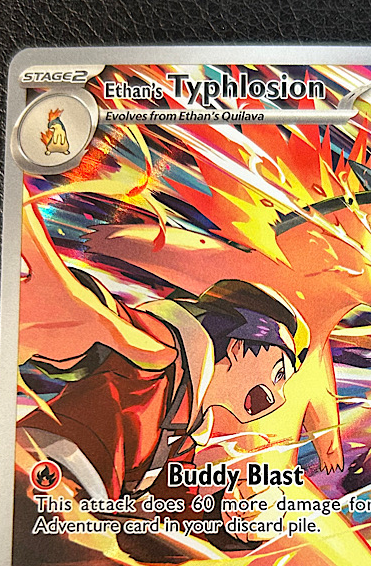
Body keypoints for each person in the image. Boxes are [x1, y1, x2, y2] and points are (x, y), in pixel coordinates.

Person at [17, 196, 308, 510]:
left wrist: (229, 516)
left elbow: (169, 504)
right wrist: (80, 306)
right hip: (42, 475)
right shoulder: (163, 350)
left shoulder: (189, 424)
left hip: (81, 507)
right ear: (238, 347)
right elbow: (111, 325)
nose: (279, 396)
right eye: (279, 373)